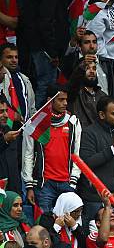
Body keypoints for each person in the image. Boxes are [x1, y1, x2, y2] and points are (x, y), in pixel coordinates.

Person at [78, 96, 114, 225]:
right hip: (93, 198)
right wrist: (111, 150)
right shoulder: (89, 133)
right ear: (101, 114)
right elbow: (86, 164)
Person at [23, 84, 81, 213]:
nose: (65, 103)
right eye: (61, 100)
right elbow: (28, 155)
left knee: (69, 225)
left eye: (66, 99)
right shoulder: (36, 123)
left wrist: (73, 180)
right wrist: (29, 186)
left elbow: (77, 154)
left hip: (67, 183)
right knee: (44, 226)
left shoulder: (73, 122)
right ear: (50, 100)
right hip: (44, 185)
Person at [0, 43, 36, 124]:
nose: (14, 60)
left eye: (16, 57)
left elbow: (32, 107)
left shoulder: (25, 79)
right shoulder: (1, 78)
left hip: (24, 128)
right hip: (6, 129)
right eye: (9, 57)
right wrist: (12, 115)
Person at [0, 95, 22, 193]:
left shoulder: (11, 133)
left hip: (12, 192)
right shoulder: (8, 136)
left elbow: (16, 164)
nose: (6, 115)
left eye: (6, 111)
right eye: (1, 112)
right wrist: (4, 140)